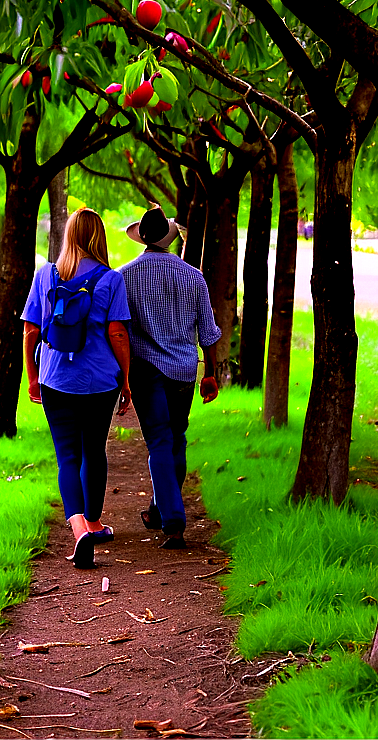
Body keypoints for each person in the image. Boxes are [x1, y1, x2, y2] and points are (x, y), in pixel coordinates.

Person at [22, 208, 132, 569]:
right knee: (94, 450)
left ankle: (80, 530)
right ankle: (95, 522)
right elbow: (117, 333)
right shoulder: (111, 280)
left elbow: (31, 332)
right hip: (99, 381)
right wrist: (126, 381)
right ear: (98, 237)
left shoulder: (46, 275)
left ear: (69, 236)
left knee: (67, 456)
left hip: (55, 378)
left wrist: (32, 376)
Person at [119, 206, 221, 549]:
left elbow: (118, 330)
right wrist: (212, 372)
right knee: (176, 438)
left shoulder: (124, 276)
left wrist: (123, 378)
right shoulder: (195, 276)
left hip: (146, 369)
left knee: (161, 442)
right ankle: (159, 509)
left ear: (142, 239)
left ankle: (174, 522)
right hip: (184, 370)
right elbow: (208, 332)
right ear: (168, 238)